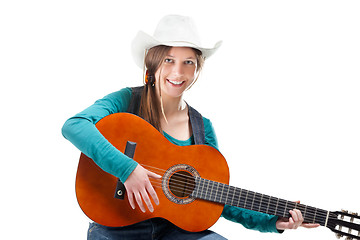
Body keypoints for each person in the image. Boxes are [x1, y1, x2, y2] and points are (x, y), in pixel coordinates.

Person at [62, 15, 319, 240]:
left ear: (197, 69)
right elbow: (75, 126)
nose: (178, 72)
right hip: (117, 224)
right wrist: (128, 169)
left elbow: (218, 197)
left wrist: (271, 222)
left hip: (177, 232)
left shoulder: (201, 127)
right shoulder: (126, 100)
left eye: (189, 62)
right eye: (169, 60)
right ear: (152, 63)